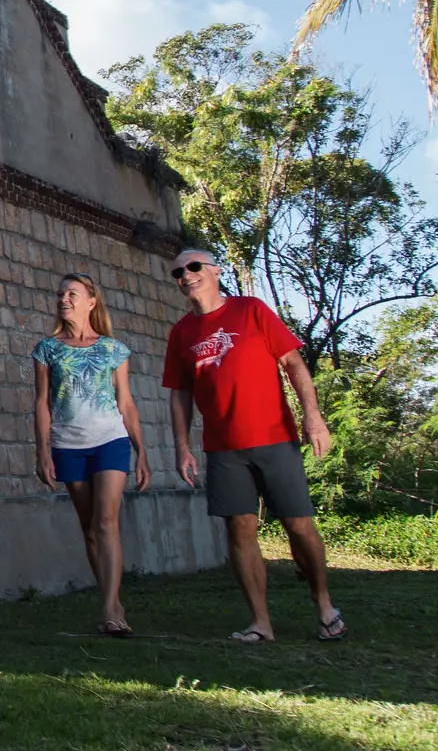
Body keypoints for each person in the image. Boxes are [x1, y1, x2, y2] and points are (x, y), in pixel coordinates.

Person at [162, 248, 347, 643]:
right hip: (224, 448)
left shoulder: (251, 310)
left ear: (214, 272)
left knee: (298, 525)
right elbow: (179, 394)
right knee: (240, 530)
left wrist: (312, 417)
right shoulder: (181, 333)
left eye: (194, 267)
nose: (186, 275)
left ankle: (324, 603)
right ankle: (261, 623)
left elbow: (294, 363)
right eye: (178, 272)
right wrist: (182, 446)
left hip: (275, 437)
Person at [33, 273, 152, 637]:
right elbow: (41, 404)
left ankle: (111, 608)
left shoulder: (113, 349)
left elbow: (126, 402)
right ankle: (112, 602)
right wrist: (42, 451)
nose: (63, 299)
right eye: (60, 294)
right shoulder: (47, 350)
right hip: (69, 445)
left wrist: (141, 450)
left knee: (105, 523)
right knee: (89, 531)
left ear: (91, 301)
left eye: (72, 294)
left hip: (110, 441)